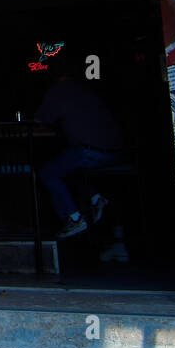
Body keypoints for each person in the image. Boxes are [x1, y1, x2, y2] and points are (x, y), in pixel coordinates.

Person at [33, 54, 125, 239]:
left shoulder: (58, 91)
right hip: (118, 152)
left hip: (90, 152)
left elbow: (38, 121)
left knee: (48, 172)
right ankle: (97, 198)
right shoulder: (86, 88)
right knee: (69, 168)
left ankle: (73, 217)